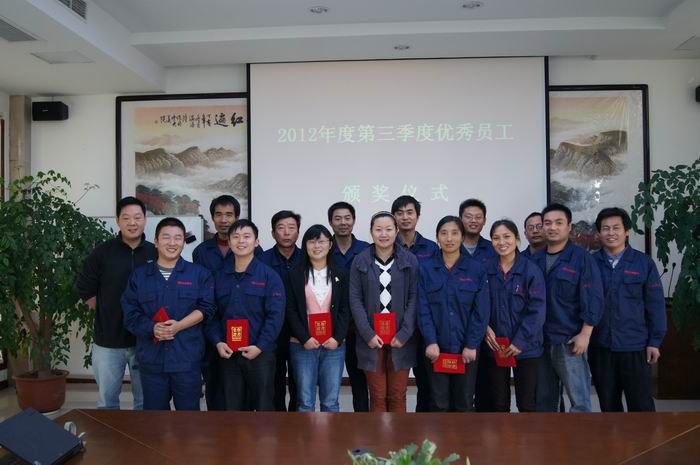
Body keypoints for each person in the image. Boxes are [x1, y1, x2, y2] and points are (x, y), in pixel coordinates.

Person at [121, 217, 215, 410]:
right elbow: (130, 313)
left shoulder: (199, 274)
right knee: (155, 420)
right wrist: (152, 328)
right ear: (156, 242)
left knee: (189, 420)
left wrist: (179, 326)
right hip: (152, 361)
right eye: (166, 237)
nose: (172, 243)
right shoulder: (140, 276)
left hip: (186, 359)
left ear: (184, 242)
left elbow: (207, 308)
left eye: (178, 238)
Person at [77, 196, 157, 410]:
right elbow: (85, 287)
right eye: (126, 218)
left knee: (146, 402)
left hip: (146, 340)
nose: (132, 223)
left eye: (137, 217)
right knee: (107, 402)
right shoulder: (103, 252)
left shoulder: (154, 252)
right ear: (118, 220)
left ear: (145, 220)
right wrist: (108, 310)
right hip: (108, 341)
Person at [589, 207, 666, 412]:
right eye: (605, 228)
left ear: (627, 231)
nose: (611, 233)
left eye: (616, 228)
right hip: (601, 346)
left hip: (635, 346)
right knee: (608, 407)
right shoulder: (590, 263)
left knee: (641, 406)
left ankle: (643, 436)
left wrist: (655, 342)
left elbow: (655, 305)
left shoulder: (643, 263)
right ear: (599, 233)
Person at [206, 219, 285, 411]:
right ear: (229, 242)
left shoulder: (269, 276)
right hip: (228, 354)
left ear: (256, 242)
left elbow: (275, 316)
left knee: (263, 408)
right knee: (232, 409)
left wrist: (260, 346)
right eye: (236, 237)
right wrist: (218, 342)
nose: (241, 241)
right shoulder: (219, 277)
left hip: (261, 354)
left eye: (247, 236)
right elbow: (211, 314)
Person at [533, 203, 604, 413]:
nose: (552, 227)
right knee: (545, 401)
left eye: (558, 222)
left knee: (579, 401)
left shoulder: (582, 258)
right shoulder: (535, 259)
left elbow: (593, 298)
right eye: (547, 223)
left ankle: (580, 435)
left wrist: (585, 333)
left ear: (569, 226)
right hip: (540, 340)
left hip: (570, 339)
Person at [417, 216, 490, 412]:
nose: (449, 238)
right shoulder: (425, 270)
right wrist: (430, 341)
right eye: (444, 233)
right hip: (436, 349)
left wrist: (472, 344)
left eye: (455, 233)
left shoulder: (476, 270)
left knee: (464, 403)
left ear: (462, 237)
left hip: (466, 349)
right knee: (438, 403)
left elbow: (481, 311)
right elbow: (422, 309)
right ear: (437, 238)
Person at [349, 211, 418, 412]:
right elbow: (355, 299)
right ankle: (379, 434)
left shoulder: (410, 260)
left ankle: (398, 434)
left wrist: (405, 333)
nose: (384, 234)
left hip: (401, 339)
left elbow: (414, 298)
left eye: (388, 229)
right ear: (371, 232)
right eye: (378, 229)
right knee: (377, 395)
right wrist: (368, 334)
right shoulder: (360, 261)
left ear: (396, 231)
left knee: (397, 395)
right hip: (371, 340)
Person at [192, 195, 251, 411]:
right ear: (212, 217)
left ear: (237, 217)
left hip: (245, 326)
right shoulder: (201, 251)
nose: (224, 220)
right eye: (219, 214)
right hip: (211, 326)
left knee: (243, 388)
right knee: (215, 384)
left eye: (229, 215)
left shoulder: (252, 249)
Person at [285, 224, 350, 412]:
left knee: (330, 402)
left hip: (333, 346)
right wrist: (304, 338)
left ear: (330, 244)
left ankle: (330, 434)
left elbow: (345, 310)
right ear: (305, 245)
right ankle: (307, 434)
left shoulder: (341, 273)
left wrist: (337, 338)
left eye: (321, 241)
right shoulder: (294, 274)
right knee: (305, 402)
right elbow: (290, 310)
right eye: (312, 242)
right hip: (302, 345)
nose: (317, 246)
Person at [484, 219, 546, 412]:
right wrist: (485, 328)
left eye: (507, 236)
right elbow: (479, 305)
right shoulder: (486, 270)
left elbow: (537, 310)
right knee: (498, 403)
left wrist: (520, 341)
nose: (501, 242)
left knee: (527, 404)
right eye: (496, 238)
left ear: (517, 238)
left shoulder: (531, 270)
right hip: (496, 346)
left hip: (526, 348)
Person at [391, 195, 438, 412]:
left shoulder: (432, 248)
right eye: (400, 213)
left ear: (418, 216)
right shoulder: (386, 246)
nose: (405, 217)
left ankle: (422, 424)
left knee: (427, 383)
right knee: (395, 386)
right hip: (397, 326)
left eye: (409, 212)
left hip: (425, 326)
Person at [327, 201, 370, 412]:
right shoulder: (323, 248)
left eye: (347, 218)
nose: (343, 222)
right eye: (338, 218)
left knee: (360, 383)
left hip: (358, 329)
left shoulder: (366, 250)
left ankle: (362, 424)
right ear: (330, 222)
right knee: (328, 385)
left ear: (353, 220)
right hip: (329, 329)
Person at [458, 198, 497, 411]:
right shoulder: (450, 249)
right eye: (468, 217)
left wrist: (486, 325)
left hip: (491, 329)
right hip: (460, 329)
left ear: (484, 221)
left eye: (478, 217)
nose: (473, 221)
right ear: (460, 219)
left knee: (487, 386)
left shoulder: (494, 249)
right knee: (462, 391)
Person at [261, 210, 302, 412]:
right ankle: (277, 421)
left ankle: (296, 420)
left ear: (298, 232)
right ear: (273, 233)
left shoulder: (307, 258)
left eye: (291, 228)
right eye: (281, 228)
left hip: (300, 332)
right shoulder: (262, 261)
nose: (286, 232)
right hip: (271, 331)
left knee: (299, 381)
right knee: (273, 380)